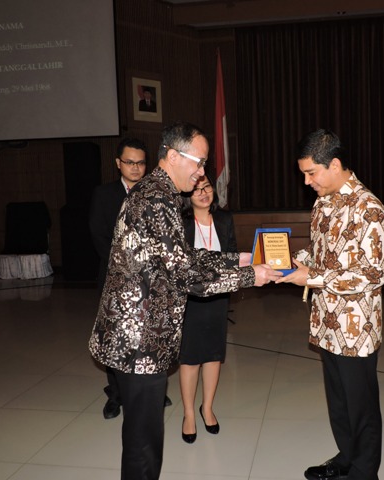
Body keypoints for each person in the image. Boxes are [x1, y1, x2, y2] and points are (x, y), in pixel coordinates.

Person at [88, 121, 282, 480]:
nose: (202, 172)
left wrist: (237, 259)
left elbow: (184, 257)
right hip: (140, 342)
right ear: (174, 156)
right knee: (144, 443)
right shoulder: (156, 200)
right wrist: (251, 276)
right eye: (199, 162)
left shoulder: (159, 194)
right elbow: (186, 276)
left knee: (141, 437)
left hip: (140, 336)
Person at [276, 129, 384, 480]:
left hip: (356, 329)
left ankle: (364, 472)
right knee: (339, 402)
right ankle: (346, 459)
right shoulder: (323, 202)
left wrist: (311, 278)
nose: (307, 181)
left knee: (362, 406)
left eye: (311, 173)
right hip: (326, 321)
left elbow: (371, 275)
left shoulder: (369, 209)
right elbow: (324, 254)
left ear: (335, 164)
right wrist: (296, 260)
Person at [89, 137, 148, 420]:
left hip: (149, 281)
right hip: (114, 278)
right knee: (114, 340)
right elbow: (98, 235)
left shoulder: (155, 193)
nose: (135, 168)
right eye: (129, 162)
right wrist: (123, 268)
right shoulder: (104, 194)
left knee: (147, 339)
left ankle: (150, 391)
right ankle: (116, 395)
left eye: (140, 163)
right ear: (118, 163)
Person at [179, 174, 235, 444]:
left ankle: (207, 407)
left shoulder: (224, 219)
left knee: (213, 355)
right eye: (197, 190)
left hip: (218, 297)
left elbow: (233, 255)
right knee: (190, 358)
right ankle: (189, 413)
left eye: (207, 188)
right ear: (187, 196)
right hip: (190, 300)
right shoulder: (181, 222)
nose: (203, 193)